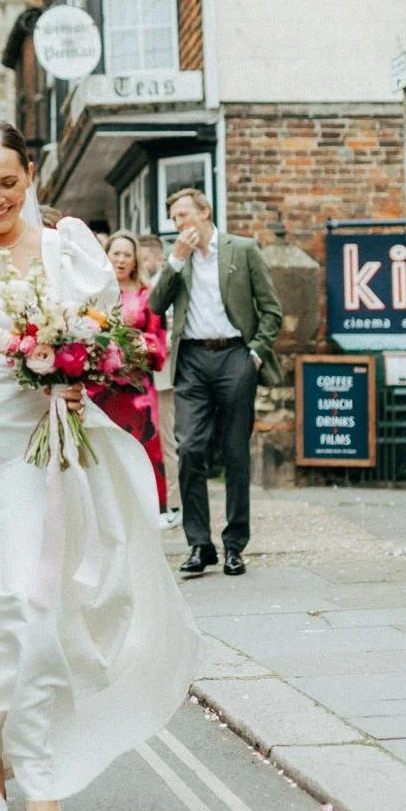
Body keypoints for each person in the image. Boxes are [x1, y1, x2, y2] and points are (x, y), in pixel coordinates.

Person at [0, 124, 200, 811]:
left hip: (43, 454)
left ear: (31, 174)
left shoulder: (69, 253)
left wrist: (74, 378)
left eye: (10, 182)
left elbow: (101, 342)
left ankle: (41, 777)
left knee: (35, 610)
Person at [148, 189, 283, 579]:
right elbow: (155, 307)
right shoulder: (179, 260)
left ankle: (235, 545)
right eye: (173, 218)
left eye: (184, 215)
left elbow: (271, 309)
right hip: (191, 360)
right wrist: (175, 259)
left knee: (235, 451)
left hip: (234, 357)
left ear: (205, 213)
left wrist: (253, 354)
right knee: (189, 448)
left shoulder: (241, 250)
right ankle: (199, 544)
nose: (179, 224)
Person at [103, 231, 178, 528]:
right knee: (107, 448)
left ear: (135, 261)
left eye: (126, 255)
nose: (120, 260)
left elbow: (158, 338)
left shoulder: (147, 296)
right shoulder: (96, 293)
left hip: (137, 389)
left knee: (144, 446)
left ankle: (149, 510)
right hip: (103, 389)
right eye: (115, 253)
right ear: (106, 256)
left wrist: (143, 346)